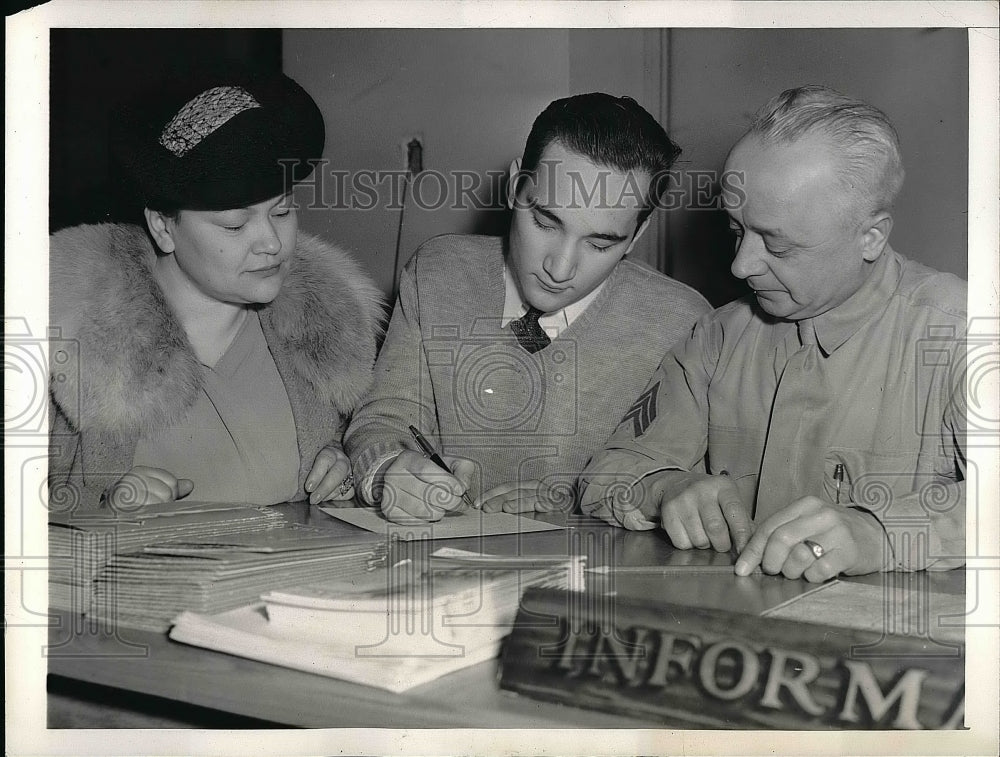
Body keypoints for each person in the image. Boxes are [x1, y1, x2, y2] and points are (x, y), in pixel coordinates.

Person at [579, 85, 966, 582]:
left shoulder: (962, 332)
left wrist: (882, 534)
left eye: (778, 247)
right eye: (736, 231)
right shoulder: (717, 337)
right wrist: (664, 488)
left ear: (871, 237)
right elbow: (608, 471)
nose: (741, 267)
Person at [344, 92, 710, 523]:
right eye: (544, 222)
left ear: (638, 233)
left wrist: (579, 503)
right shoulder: (439, 273)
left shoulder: (683, 323)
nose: (560, 268)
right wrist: (390, 470)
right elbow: (383, 420)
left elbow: (681, 489)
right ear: (515, 186)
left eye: (599, 244)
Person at [48, 68, 384, 511]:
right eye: (235, 224)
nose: (271, 243)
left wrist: (343, 463)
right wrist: (99, 506)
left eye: (282, 212)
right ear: (163, 227)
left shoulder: (325, 339)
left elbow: (359, 442)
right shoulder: (64, 336)